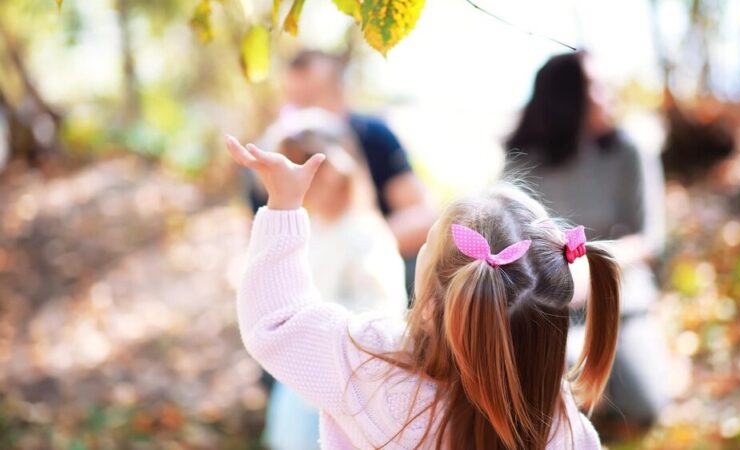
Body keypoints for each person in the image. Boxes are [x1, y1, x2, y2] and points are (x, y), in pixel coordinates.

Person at [225, 134, 622, 449]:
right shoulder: (561, 425)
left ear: (433, 305)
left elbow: (276, 321)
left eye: (427, 244)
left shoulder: (370, 361)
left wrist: (283, 205)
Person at [504, 51, 669, 426]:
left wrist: (589, 270)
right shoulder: (522, 162)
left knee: (645, 404)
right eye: (596, 85)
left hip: (617, 298)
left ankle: (585, 385)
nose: (608, 94)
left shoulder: (628, 152)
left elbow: (650, 238)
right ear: (565, 95)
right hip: (544, 302)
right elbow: (507, 237)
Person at [257, 108, 408, 449]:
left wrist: (322, 332)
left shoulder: (364, 234)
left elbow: (381, 311)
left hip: (346, 381)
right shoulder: (308, 227)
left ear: (334, 173)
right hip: (301, 376)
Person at [249, 50, 436, 291]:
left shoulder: (374, 137)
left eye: (312, 97)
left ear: (339, 94)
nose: (303, 111)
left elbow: (423, 216)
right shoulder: (274, 158)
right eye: (295, 100)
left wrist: (355, 246)